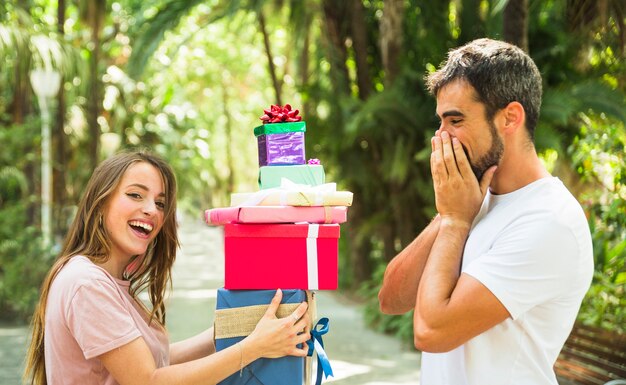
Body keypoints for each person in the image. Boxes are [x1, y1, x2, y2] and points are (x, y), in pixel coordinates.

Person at [378, 38, 593, 385]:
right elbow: (391, 298)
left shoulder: (550, 221)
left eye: (456, 120)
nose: (440, 138)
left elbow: (432, 331)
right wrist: (450, 216)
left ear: (510, 118)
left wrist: (454, 221)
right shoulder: (469, 201)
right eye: (441, 122)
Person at [24, 150, 311, 385]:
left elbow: (152, 362)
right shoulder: (87, 283)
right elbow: (149, 381)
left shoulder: (103, 280)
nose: (152, 210)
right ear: (99, 204)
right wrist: (252, 348)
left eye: (160, 203)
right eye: (136, 195)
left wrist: (232, 331)